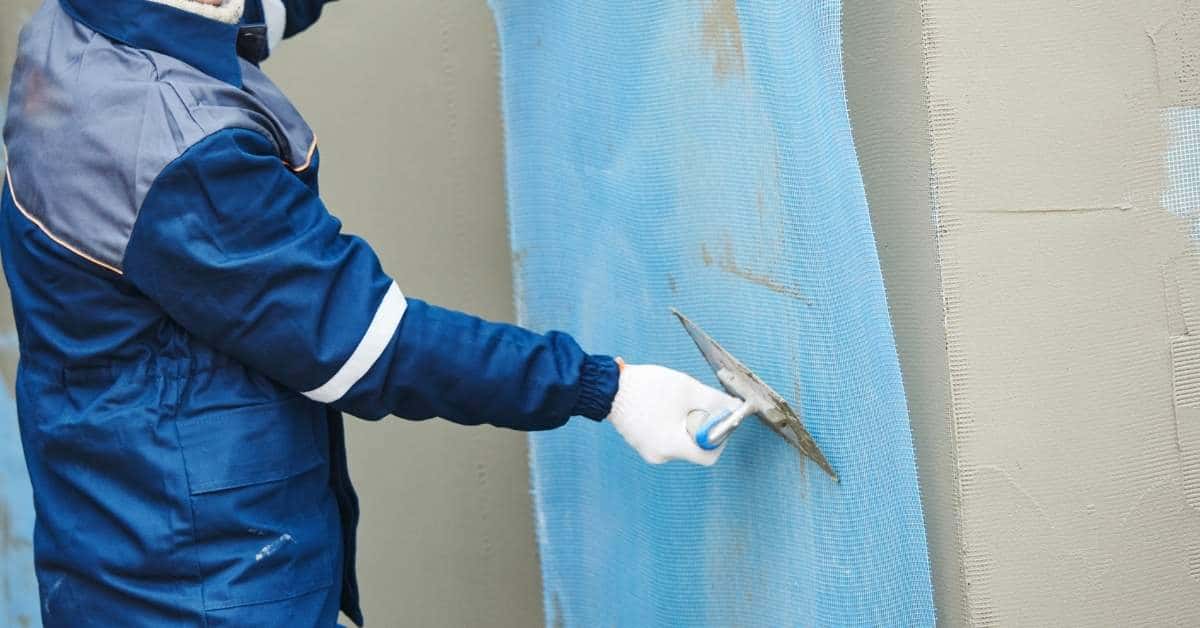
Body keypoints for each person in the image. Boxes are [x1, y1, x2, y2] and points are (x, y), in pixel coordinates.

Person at [0, 0, 738, 625]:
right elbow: (375, 348)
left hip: (110, 541)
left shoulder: (71, 34)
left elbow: (253, 14)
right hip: (208, 583)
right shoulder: (181, 151)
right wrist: (603, 388)